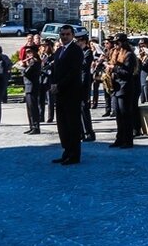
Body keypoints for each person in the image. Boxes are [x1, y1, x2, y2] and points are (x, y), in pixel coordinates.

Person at [51, 24, 84, 165]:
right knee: (62, 124)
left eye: (67, 34)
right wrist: (53, 84)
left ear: (72, 35)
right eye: (62, 34)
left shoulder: (76, 50)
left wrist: (59, 84)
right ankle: (66, 151)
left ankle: (74, 154)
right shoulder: (59, 50)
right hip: (60, 92)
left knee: (72, 124)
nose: (64, 37)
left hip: (71, 92)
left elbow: (74, 72)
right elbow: (55, 69)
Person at [108, 33, 139, 149]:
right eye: (115, 43)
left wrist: (114, 68)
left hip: (125, 87)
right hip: (116, 88)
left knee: (126, 115)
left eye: (118, 43)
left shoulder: (129, 55)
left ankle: (128, 140)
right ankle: (119, 138)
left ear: (123, 43)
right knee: (118, 115)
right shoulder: (115, 54)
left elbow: (127, 73)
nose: (116, 45)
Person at [77, 35, 96, 142]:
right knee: (78, 109)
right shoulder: (79, 52)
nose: (78, 43)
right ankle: (81, 133)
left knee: (84, 108)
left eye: (79, 41)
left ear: (84, 41)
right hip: (78, 82)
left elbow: (84, 65)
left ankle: (89, 132)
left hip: (84, 83)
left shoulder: (88, 52)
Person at [21, 45, 43, 134]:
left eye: (29, 52)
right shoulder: (30, 61)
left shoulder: (34, 61)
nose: (28, 54)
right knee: (29, 108)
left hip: (32, 86)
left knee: (33, 108)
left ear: (34, 52)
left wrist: (22, 67)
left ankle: (36, 127)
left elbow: (26, 72)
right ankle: (31, 126)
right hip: (28, 86)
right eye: (27, 52)